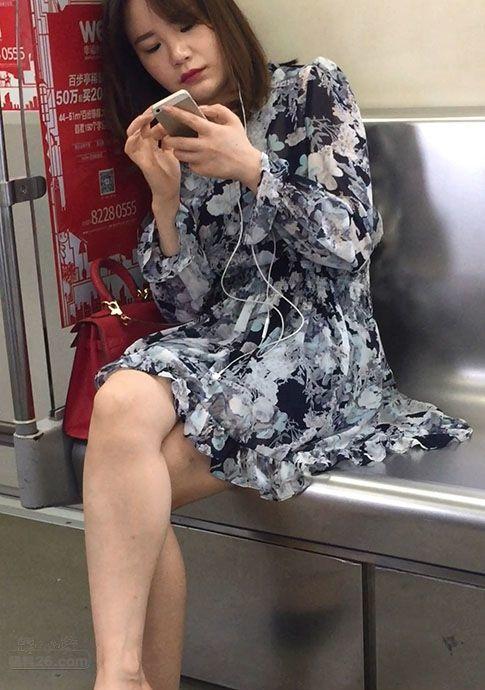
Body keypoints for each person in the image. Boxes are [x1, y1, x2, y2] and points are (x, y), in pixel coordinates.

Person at [84, 0, 474, 688]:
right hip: (226, 349)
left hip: (321, 350)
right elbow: (187, 309)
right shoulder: (180, 133)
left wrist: (252, 166)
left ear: (220, 17)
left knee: (132, 492)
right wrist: (166, 201)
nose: (176, 54)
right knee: (121, 402)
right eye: (151, 46)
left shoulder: (312, 88)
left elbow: (352, 244)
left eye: (186, 25)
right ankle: (119, 676)